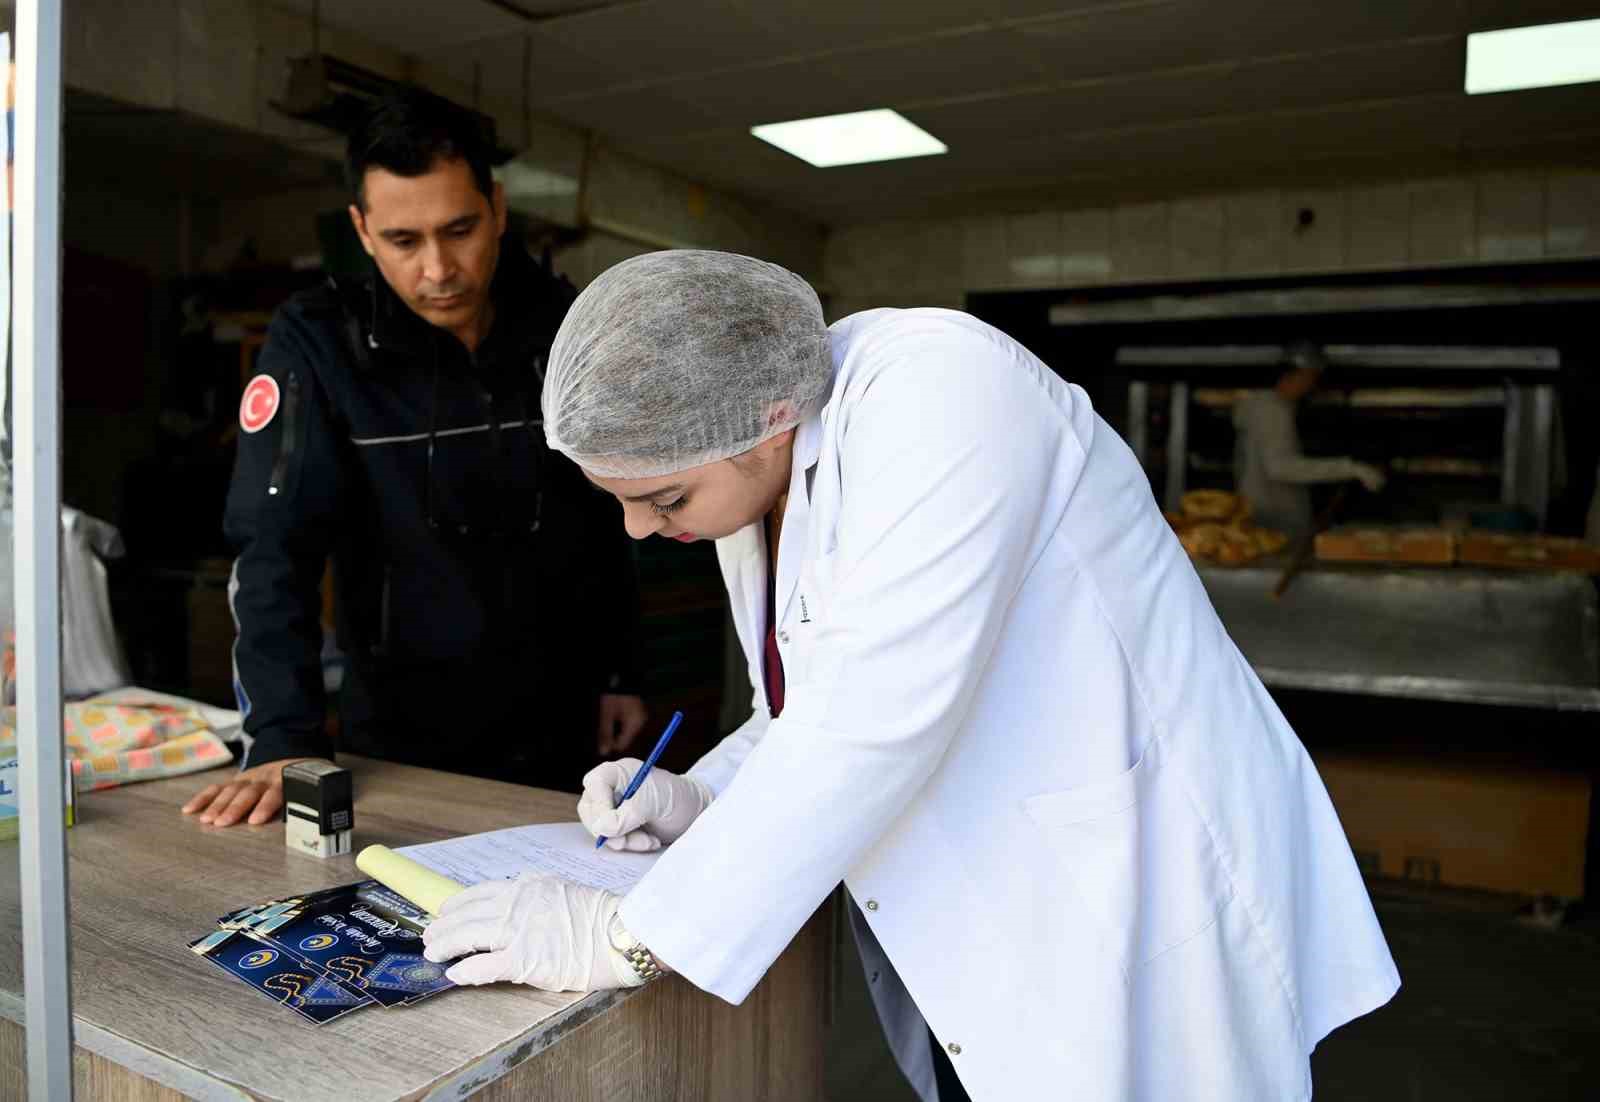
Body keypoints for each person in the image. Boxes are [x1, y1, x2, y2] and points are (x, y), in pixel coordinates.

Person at [420, 252, 1400, 1101]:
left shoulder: (947, 390)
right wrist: (701, 792)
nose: (640, 529)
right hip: (975, 898)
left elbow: (873, 716)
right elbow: (805, 704)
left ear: (763, 422)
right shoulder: (757, 463)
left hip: (1120, 877)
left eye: (660, 497)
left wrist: (625, 936)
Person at [182, 93, 646, 829]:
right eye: (404, 240)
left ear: (496, 207)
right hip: (401, 729)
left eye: (459, 229)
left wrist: (625, 671)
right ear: (362, 231)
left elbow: (617, 510)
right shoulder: (319, 343)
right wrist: (281, 737)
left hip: (566, 715)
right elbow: (276, 546)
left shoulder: (567, 325)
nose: (438, 269)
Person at [1232, 341, 1386, 539]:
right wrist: (1350, 468)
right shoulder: (1272, 411)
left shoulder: (1264, 408)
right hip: (1275, 524)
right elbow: (1281, 467)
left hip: (1268, 520)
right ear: (1298, 374)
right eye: (1311, 377)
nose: (1311, 385)